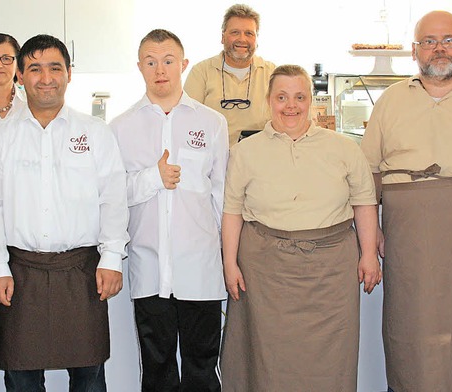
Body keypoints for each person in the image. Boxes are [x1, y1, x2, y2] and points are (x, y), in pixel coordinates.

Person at [0, 34, 129, 392]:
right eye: (34, 69)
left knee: (89, 375)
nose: (46, 78)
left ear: (69, 74)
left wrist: (112, 258)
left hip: (81, 270)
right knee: (21, 376)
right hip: (20, 272)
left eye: (55, 68)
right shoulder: (0, 137)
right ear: (20, 76)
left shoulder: (95, 133)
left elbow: (113, 198)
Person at [220, 64, 381, 391]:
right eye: (281, 97)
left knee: (331, 359)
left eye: (299, 97)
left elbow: (365, 202)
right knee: (266, 360)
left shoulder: (345, 149)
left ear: (311, 101)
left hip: (331, 273)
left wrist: (368, 256)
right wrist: (229, 263)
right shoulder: (243, 152)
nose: (290, 105)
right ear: (269, 101)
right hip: (265, 271)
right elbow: (232, 211)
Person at [360, 10, 452, 392]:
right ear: (415, 51)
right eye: (429, 42)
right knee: (411, 321)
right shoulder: (391, 100)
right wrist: (372, 234)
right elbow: (367, 175)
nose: (439, 49)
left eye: (449, 40)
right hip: (407, 232)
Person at [110, 29, 228, 391]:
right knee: (157, 371)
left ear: (183, 65)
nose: (159, 69)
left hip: (201, 271)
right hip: (148, 270)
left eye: (167, 61)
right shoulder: (120, 127)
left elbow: (221, 198)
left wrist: (229, 258)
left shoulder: (212, 123)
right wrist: (152, 177)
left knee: (202, 369)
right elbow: (112, 196)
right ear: (139, 67)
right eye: (150, 62)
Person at [184, 3, 275, 146]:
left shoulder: (272, 74)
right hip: (211, 160)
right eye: (235, 32)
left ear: (257, 40)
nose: (242, 39)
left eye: (249, 33)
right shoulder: (201, 72)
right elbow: (186, 122)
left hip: (259, 160)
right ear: (223, 37)